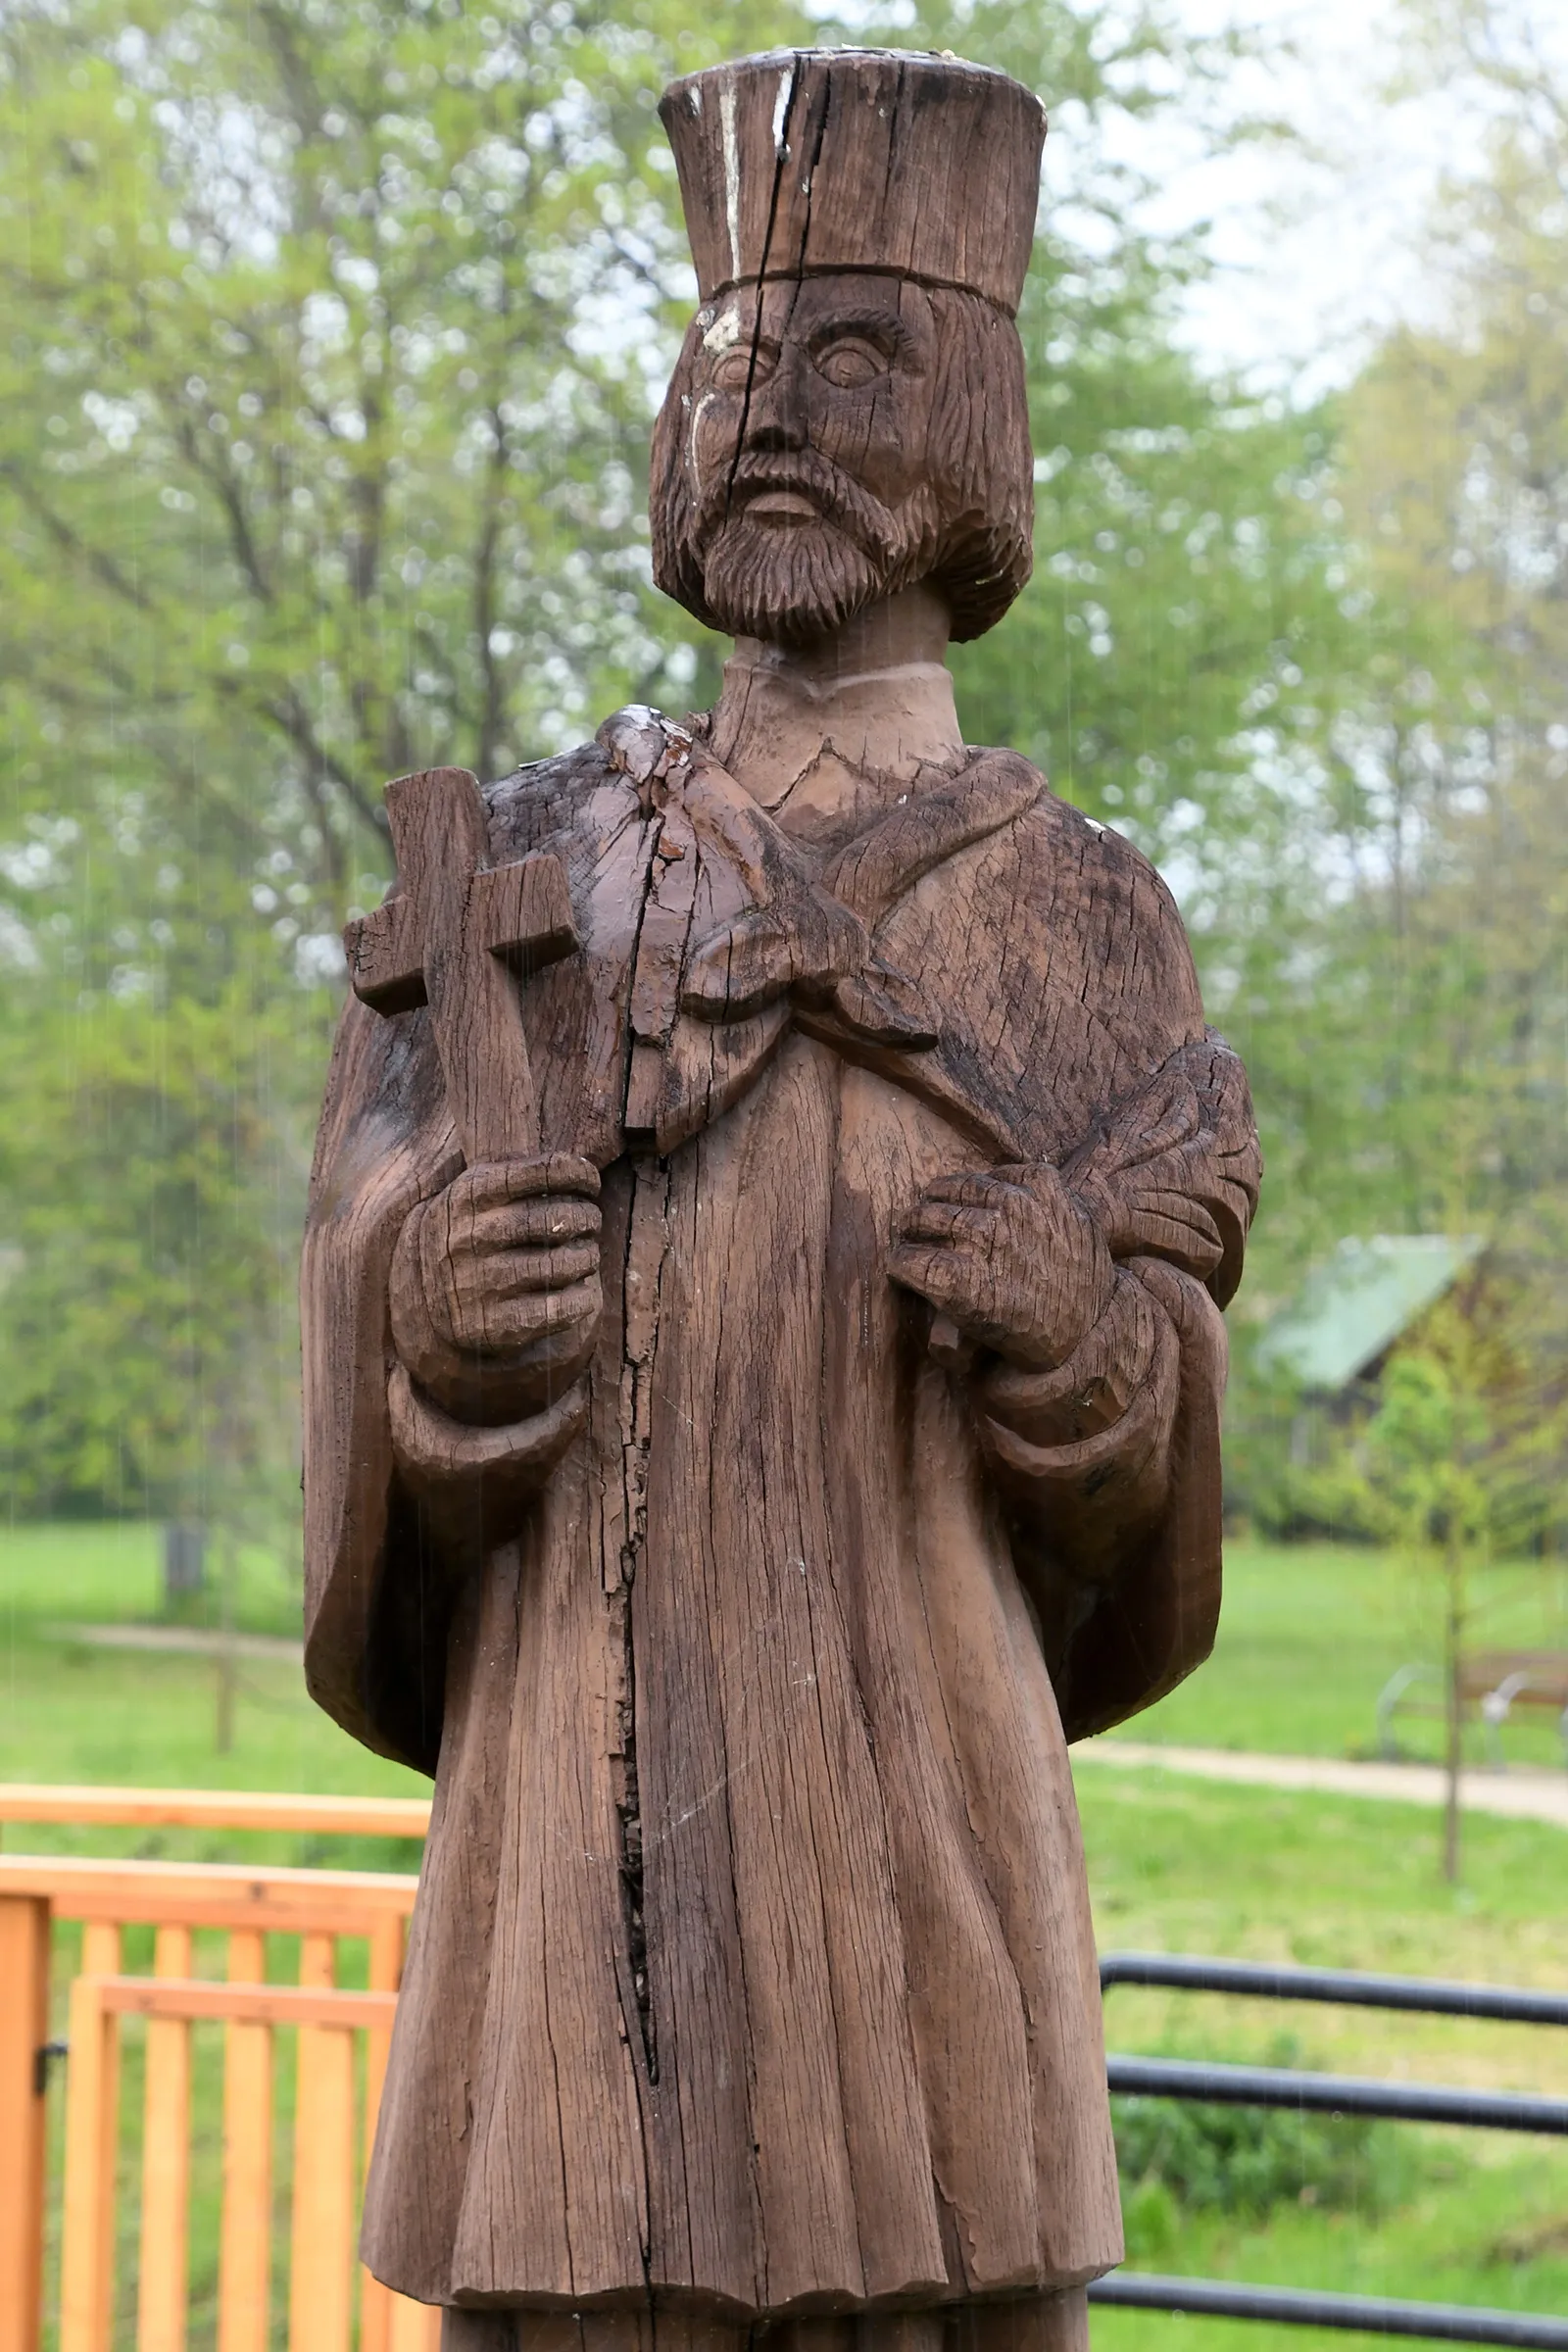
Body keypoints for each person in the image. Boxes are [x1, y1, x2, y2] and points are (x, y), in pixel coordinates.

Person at [301, 46, 1261, 2352]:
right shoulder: (519, 863)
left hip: (915, 1821)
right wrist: (426, 1305)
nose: (762, 408)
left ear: (977, 431)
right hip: (583, 1848)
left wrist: (1085, 1342)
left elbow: (1149, 1432)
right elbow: (366, 1232)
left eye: (845, 358)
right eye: (725, 357)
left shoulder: (1075, 914)